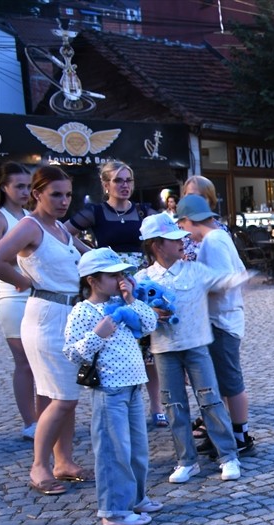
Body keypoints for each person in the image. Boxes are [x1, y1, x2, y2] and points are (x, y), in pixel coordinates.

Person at [0, 165, 91, 495]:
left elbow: (92, 260)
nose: (64, 201)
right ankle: (39, 467)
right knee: (63, 397)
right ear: (37, 194)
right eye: (56, 194)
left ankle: (63, 461)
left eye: (68, 194)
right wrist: (23, 281)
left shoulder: (62, 230)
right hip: (46, 318)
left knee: (65, 395)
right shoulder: (29, 226)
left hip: (70, 316)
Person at [138, 212, 245, 483]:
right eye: (174, 240)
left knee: (210, 400)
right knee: (173, 404)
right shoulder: (143, 279)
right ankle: (186, 459)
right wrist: (147, 311)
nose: (182, 242)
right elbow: (136, 314)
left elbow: (223, 280)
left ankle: (228, 455)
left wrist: (244, 276)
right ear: (157, 245)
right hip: (163, 350)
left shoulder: (195, 270)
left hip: (197, 347)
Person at [63, 248, 160, 525]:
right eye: (113, 275)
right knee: (112, 450)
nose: (120, 280)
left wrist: (131, 298)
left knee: (137, 448)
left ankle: (136, 498)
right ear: (92, 281)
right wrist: (97, 335)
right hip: (108, 389)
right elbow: (71, 352)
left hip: (132, 385)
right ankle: (114, 510)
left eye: (122, 274)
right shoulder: (83, 311)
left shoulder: (123, 304)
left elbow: (149, 323)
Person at [66, 160, 165, 425]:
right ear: (106, 184)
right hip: (106, 282)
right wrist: (93, 255)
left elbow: (165, 231)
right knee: (113, 340)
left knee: (148, 348)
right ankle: (114, 399)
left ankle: (156, 406)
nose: (124, 185)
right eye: (118, 180)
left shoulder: (143, 211)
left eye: (128, 180)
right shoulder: (96, 211)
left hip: (138, 282)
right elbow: (65, 232)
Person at [175, 194, 255, 458]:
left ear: (189, 220)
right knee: (220, 382)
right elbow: (239, 271)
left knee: (229, 381)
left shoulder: (213, 241)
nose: (183, 233)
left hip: (221, 320)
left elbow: (221, 282)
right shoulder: (221, 236)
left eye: (182, 225)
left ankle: (240, 435)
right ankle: (220, 431)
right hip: (223, 318)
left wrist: (193, 285)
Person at [0, 162, 40, 440]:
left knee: (41, 359)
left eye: (28, 186)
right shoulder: (0, 218)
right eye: (19, 186)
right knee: (23, 361)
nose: (25, 191)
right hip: (12, 293)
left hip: (35, 292)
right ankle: (29, 422)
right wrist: (21, 274)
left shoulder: (29, 216)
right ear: (4, 188)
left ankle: (45, 416)